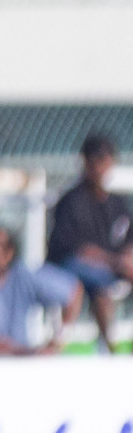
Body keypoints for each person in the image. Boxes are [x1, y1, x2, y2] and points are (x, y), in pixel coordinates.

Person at [47, 133, 132, 353]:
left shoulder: (116, 202)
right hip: (72, 264)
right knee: (101, 285)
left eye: (104, 159)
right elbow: (75, 248)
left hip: (111, 264)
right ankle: (110, 348)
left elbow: (127, 238)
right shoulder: (71, 201)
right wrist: (114, 261)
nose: (100, 166)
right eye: (95, 159)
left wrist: (125, 258)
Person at [0, 223, 83, 356]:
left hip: (21, 365)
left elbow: (74, 290)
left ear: (9, 253)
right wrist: (35, 353)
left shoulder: (22, 276)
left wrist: (59, 340)